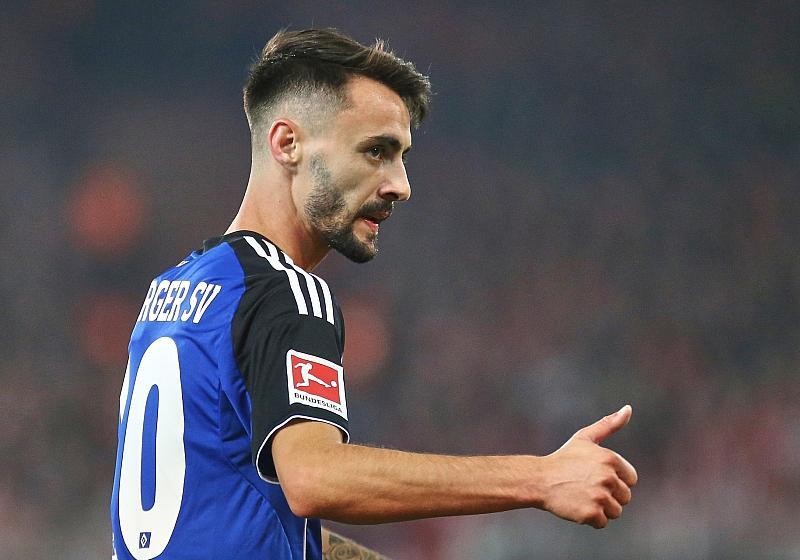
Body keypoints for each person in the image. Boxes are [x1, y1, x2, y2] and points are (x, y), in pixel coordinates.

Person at [110, 28, 638, 560]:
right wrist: (540, 477)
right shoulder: (288, 294)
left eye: (400, 156)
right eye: (375, 152)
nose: (400, 185)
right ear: (288, 144)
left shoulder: (175, 291)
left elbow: (235, 513)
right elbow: (315, 478)